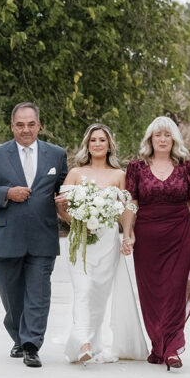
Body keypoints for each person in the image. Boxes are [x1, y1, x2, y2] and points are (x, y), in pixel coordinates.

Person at [0, 102, 67, 368]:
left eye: (31, 124)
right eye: (20, 124)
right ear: (12, 126)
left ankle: (31, 345)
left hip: (43, 237)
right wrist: (6, 193)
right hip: (8, 238)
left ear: (39, 125)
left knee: (38, 295)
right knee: (12, 296)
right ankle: (18, 334)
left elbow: (64, 188)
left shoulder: (57, 154)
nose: (26, 130)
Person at [55, 123, 147, 363]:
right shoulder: (75, 173)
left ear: (109, 146)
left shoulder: (118, 175)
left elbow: (126, 208)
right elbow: (62, 209)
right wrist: (76, 220)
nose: (97, 144)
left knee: (98, 294)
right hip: (80, 240)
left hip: (107, 241)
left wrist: (128, 234)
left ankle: (92, 341)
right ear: (87, 144)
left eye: (102, 140)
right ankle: (82, 341)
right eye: (93, 140)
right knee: (83, 289)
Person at [126, 116, 190, 370]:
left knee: (175, 290)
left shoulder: (186, 167)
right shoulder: (136, 167)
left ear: (174, 138)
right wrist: (127, 233)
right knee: (152, 294)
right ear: (150, 139)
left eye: (167, 135)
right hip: (147, 239)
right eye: (157, 135)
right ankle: (158, 344)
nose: (162, 140)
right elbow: (131, 202)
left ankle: (172, 347)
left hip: (179, 235)